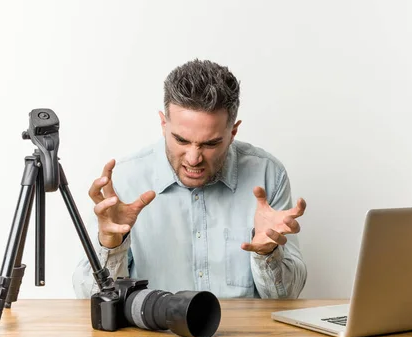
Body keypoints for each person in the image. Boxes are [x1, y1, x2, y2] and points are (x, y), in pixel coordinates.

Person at [72, 59, 307, 299]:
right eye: (181, 140)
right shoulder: (125, 181)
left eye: (211, 143)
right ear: (164, 124)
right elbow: (88, 298)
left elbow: (286, 299)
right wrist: (111, 245)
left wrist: (268, 254)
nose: (194, 159)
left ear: (233, 132)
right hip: (152, 334)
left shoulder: (268, 175)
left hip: (244, 335)